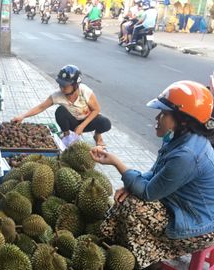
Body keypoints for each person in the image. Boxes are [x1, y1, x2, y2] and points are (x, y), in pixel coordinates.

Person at [90, 81, 214, 269]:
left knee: (134, 206)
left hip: (197, 224)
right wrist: (130, 183)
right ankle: (114, 248)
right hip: (180, 205)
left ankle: (147, 261)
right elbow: (154, 174)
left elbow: (148, 193)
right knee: (128, 196)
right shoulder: (178, 138)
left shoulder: (187, 155)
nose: (157, 117)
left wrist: (116, 163)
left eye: (164, 114)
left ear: (183, 120)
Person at [12, 65, 111, 146]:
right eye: (60, 84)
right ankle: (66, 134)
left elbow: (96, 110)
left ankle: (97, 135)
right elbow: (41, 107)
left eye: (65, 85)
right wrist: (23, 116)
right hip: (72, 123)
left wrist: (82, 126)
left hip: (87, 121)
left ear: (75, 85)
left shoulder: (85, 91)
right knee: (60, 111)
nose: (62, 88)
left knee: (105, 123)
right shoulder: (57, 95)